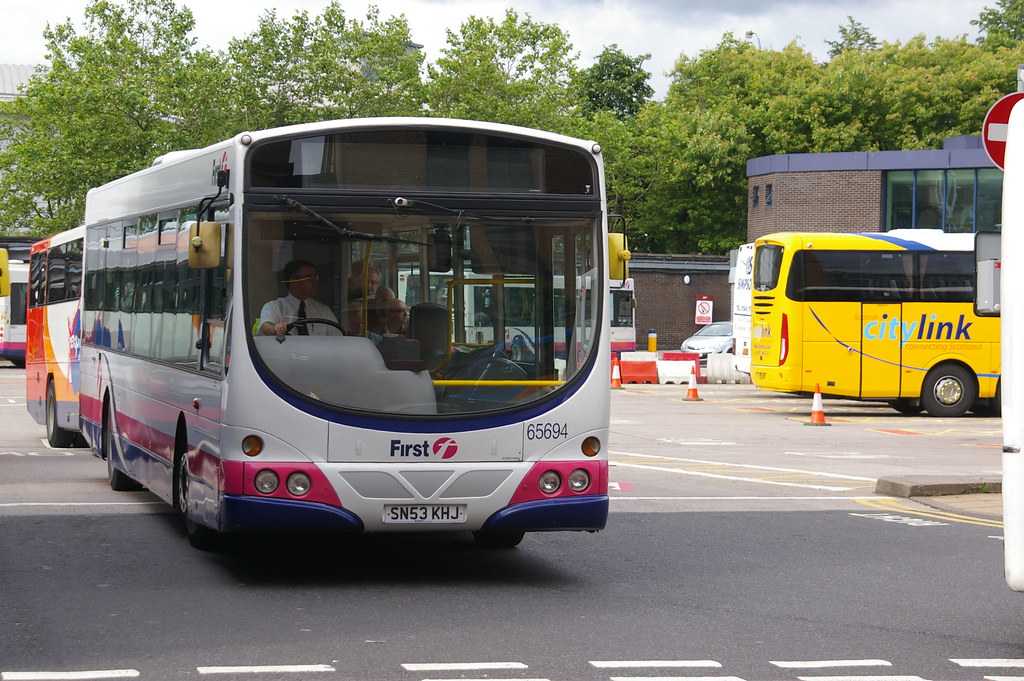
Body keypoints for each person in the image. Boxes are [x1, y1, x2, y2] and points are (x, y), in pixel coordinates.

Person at [258, 260, 342, 336]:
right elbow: (265, 326)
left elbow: (338, 339)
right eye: (310, 277)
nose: (316, 282)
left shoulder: (324, 311)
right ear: (294, 281)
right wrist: (276, 328)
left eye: (316, 277)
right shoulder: (275, 307)